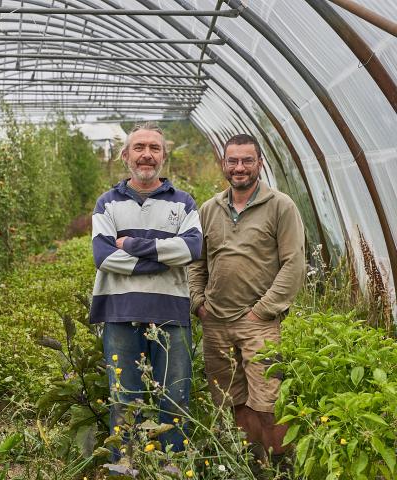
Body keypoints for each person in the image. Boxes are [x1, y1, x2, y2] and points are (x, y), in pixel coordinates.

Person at [188, 134, 305, 465]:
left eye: (247, 161)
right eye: (233, 161)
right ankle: (249, 464)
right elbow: (197, 263)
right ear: (224, 164)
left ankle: (280, 467)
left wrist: (263, 312)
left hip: (259, 324)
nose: (240, 168)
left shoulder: (280, 206)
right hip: (216, 324)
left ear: (260, 164)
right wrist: (199, 303)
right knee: (230, 399)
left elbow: (294, 263)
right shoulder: (209, 209)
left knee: (268, 402)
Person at [89, 123, 202, 455]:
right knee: (124, 400)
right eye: (139, 147)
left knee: (175, 399)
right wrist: (163, 256)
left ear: (164, 156)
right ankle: (126, 469)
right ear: (125, 156)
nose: (147, 155)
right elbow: (104, 256)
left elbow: (192, 249)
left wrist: (133, 244)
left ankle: (172, 469)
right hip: (120, 315)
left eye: (154, 148)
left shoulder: (184, 204)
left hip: (171, 316)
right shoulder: (106, 204)